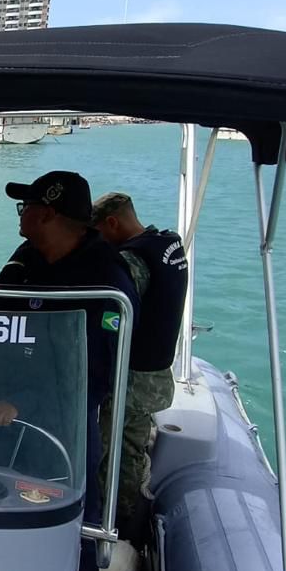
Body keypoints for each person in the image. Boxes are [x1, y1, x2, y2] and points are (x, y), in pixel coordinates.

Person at [0, 171, 139, 571]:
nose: (20, 215)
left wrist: (20, 402)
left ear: (47, 213)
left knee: (74, 539)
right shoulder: (26, 259)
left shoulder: (107, 282)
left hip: (63, 434)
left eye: (25, 206)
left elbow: (96, 375)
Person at [91, 192, 187, 541]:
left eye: (97, 231)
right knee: (130, 446)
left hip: (131, 379)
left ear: (112, 223)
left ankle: (108, 519)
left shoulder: (133, 260)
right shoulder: (168, 246)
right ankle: (127, 514)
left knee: (107, 449)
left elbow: (115, 311)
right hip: (157, 373)